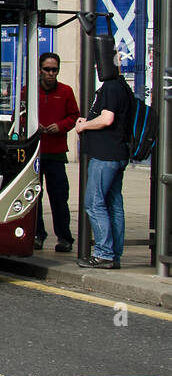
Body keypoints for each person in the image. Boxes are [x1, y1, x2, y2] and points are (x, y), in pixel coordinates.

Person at [74, 45, 134, 269]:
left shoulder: (110, 87)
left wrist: (83, 125)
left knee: (94, 203)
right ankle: (113, 254)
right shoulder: (123, 86)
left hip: (105, 155)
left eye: (98, 63)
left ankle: (104, 253)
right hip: (118, 154)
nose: (97, 67)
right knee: (114, 205)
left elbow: (107, 119)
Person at [35, 52, 79, 252]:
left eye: (55, 70)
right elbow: (20, 115)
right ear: (40, 70)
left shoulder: (66, 91)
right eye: (47, 69)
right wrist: (35, 126)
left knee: (59, 198)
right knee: (34, 197)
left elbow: (74, 116)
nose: (51, 73)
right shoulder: (29, 90)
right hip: (35, 153)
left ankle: (64, 238)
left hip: (56, 153)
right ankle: (37, 235)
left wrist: (59, 126)